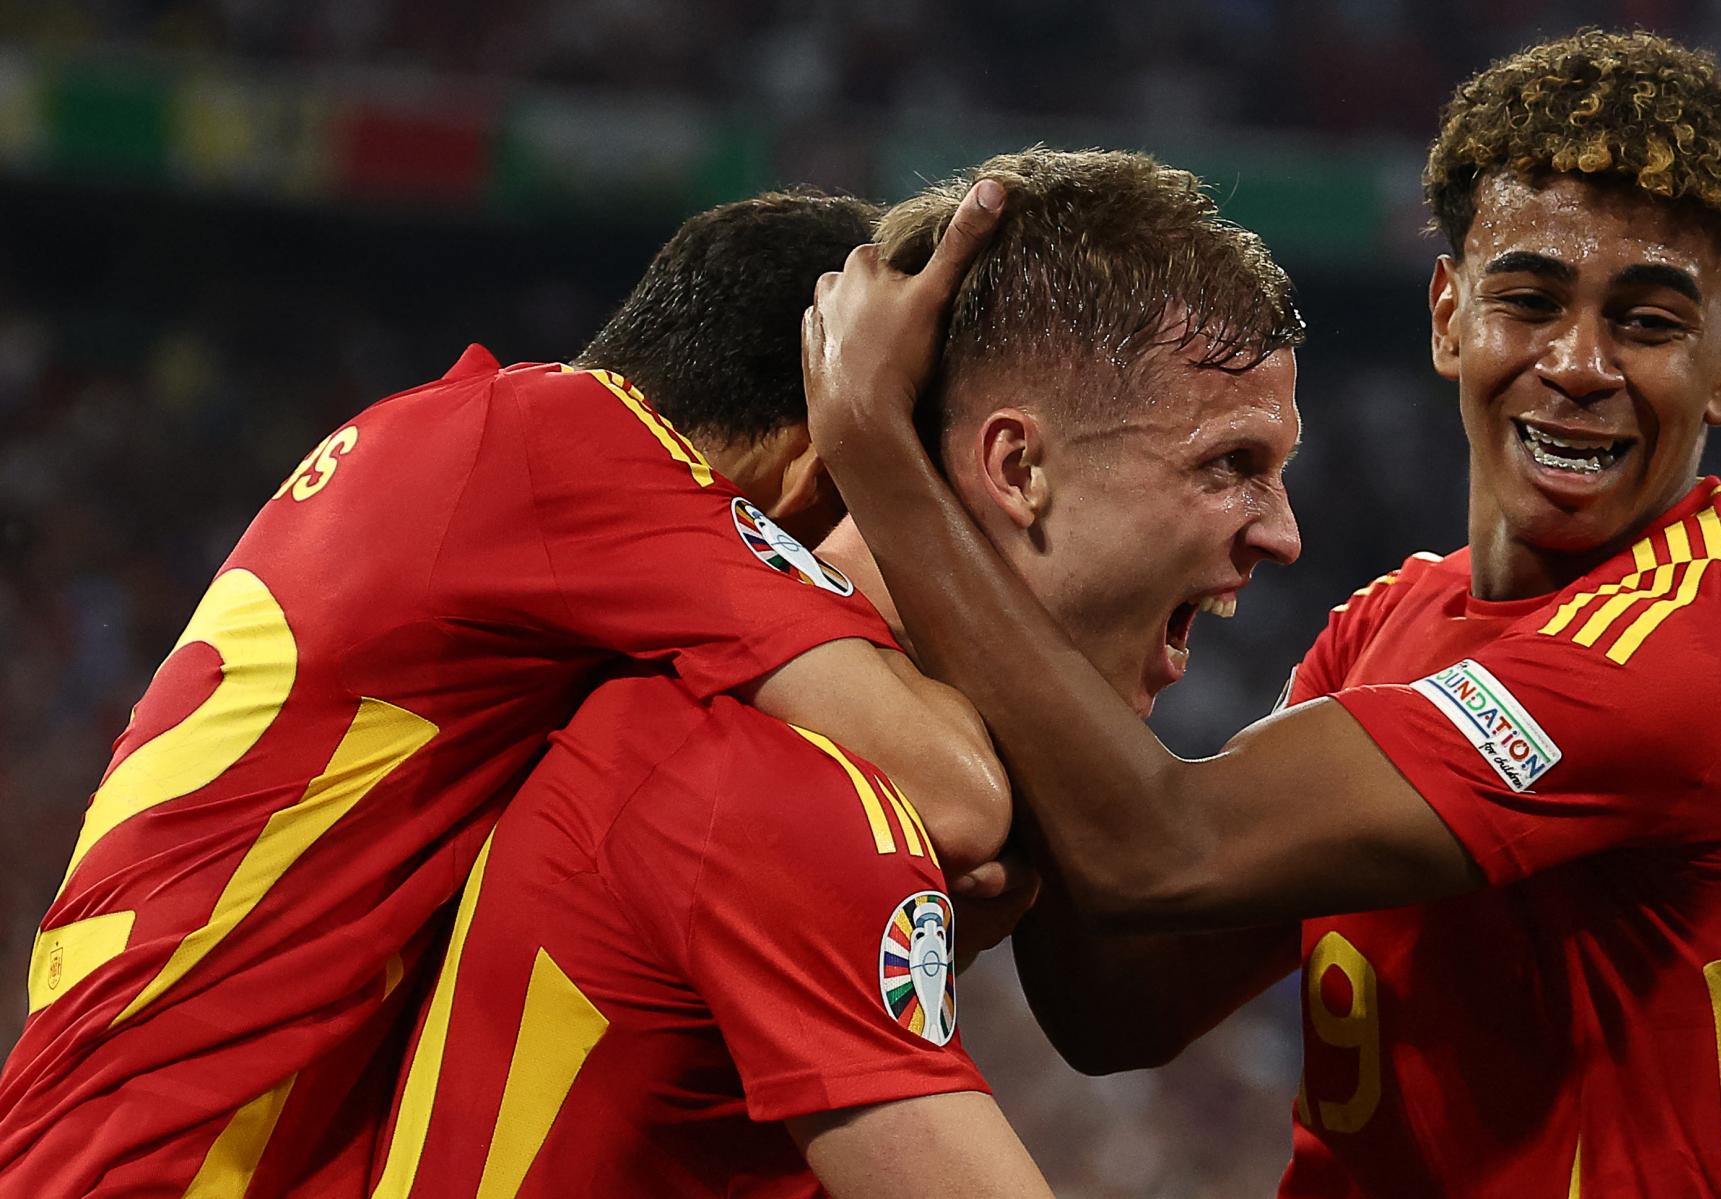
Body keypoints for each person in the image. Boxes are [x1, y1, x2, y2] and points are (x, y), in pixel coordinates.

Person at [804, 30, 1721, 1198]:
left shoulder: (1683, 657)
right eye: (1529, 299)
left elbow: (1162, 848)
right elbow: (1124, 1004)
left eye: (1647, 323)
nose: (1577, 362)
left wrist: (875, 451)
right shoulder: (1391, 622)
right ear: (1449, 315)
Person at [0, 188, 1010, 1199]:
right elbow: (958, 794)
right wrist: (876, 437)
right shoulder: (581, 455)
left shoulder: (458, 436)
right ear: (807, 457)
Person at [363, 147, 1306, 1199]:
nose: (1283, 535)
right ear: (1015, 467)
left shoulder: (774, 721)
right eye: (1230, 465)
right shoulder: (779, 774)